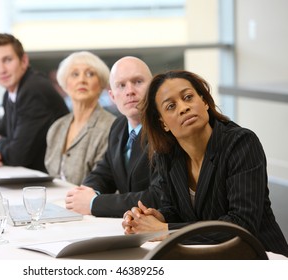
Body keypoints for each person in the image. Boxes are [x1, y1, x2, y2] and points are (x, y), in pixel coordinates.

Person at [122, 70, 288, 257]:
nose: (183, 108)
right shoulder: (166, 156)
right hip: (207, 257)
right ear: (163, 124)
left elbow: (241, 224)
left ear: (204, 102)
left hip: (259, 256)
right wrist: (156, 218)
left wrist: (165, 229)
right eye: (171, 106)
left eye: (188, 97)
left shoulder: (241, 143)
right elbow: (174, 210)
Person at [65, 56, 160, 218]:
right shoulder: (118, 126)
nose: (129, 91)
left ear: (153, 88)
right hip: (127, 225)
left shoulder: (164, 131)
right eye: (121, 85)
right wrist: (86, 192)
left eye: (137, 82)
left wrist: (93, 203)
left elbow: (156, 197)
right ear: (112, 96)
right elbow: (104, 172)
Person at [0, 33, 69, 171]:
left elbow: (18, 155)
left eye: (8, 60)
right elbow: (0, 135)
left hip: (51, 181)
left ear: (24, 61)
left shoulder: (34, 90)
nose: (2, 69)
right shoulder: (10, 93)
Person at [45, 51, 116, 185]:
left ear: (101, 84)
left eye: (90, 74)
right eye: (75, 74)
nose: (82, 80)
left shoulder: (111, 127)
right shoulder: (56, 127)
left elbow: (103, 182)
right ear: (65, 84)